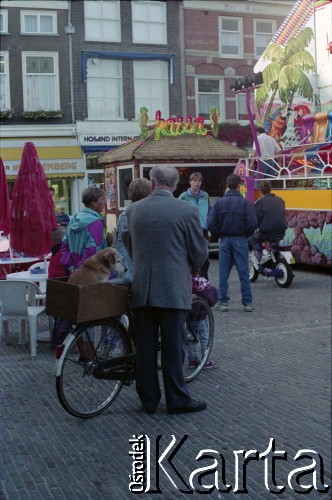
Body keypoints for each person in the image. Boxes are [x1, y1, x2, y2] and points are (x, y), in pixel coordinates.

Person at [123, 165, 208, 414]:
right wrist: (192, 267)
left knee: (145, 348)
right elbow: (200, 250)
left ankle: (148, 399)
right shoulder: (187, 210)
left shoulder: (133, 211)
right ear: (175, 185)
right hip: (172, 288)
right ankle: (177, 399)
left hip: (142, 289)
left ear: (151, 183)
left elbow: (129, 243)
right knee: (173, 347)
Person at [207, 174, 257, 313]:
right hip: (241, 239)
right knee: (243, 272)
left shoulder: (220, 203)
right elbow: (252, 222)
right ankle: (247, 302)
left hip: (225, 239)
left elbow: (211, 223)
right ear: (239, 186)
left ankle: (223, 302)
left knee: (223, 273)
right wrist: (247, 234)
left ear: (227, 185)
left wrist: (217, 234)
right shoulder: (246, 203)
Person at [60, 186, 108, 273]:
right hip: (92, 272)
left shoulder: (73, 220)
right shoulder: (96, 222)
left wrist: (72, 267)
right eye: (103, 199)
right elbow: (93, 250)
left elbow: (64, 246)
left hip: (74, 270)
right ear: (94, 203)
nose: (105, 202)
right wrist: (80, 269)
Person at [114, 177, 152, 281]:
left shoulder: (124, 215)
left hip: (127, 273)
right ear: (148, 193)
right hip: (144, 274)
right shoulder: (151, 214)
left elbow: (119, 246)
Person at [178, 172, 211, 278]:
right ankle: (191, 279)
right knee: (191, 255)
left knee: (205, 256)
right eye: (195, 181)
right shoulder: (184, 196)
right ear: (190, 182)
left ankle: (204, 279)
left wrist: (209, 225)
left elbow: (209, 211)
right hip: (191, 230)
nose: (197, 183)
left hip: (203, 230)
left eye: (199, 181)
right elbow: (177, 212)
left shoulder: (205, 195)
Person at [249, 180, 288, 264]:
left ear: (261, 190)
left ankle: (264, 253)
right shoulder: (280, 200)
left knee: (252, 239)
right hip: (281, 231)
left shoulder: (260, 202)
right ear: (271, 189)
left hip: (267, 232)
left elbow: (255, 217)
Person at [187, 274, 218, 369]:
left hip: (188, 317)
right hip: (202, 317)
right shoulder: (202, 283)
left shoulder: (185, 280)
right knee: (205, 338)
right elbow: (212, 299)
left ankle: (192, 360)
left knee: (190, 338)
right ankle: (206, 361)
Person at [48, 227, 69, 349]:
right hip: (62, 287)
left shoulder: (55, 252)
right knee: (64, 317)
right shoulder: (63, 252)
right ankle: (60, 343)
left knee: (58, 318)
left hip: (53, 287)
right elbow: (68, 267)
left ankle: (56, 341)